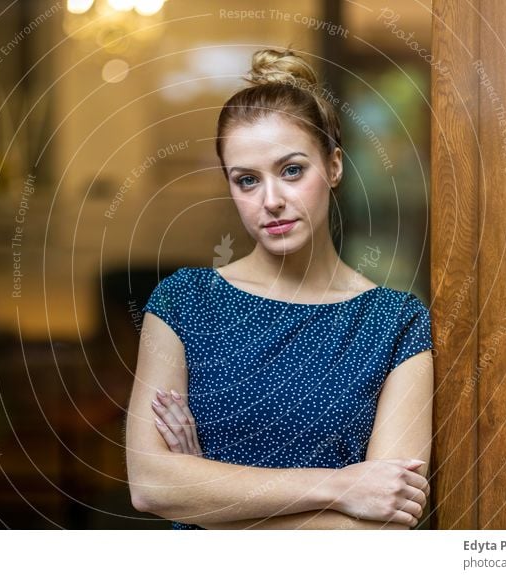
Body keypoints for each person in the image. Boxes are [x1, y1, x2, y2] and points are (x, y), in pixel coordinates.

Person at [125, 47, 433, 530]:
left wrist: (208, 502)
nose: (271, 201)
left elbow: (383, 531)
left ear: (333, 166)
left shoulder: (396, 323)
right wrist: (343, 487)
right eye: (247, 180)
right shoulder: (183, 303)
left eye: (292, 170)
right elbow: (151, 486)